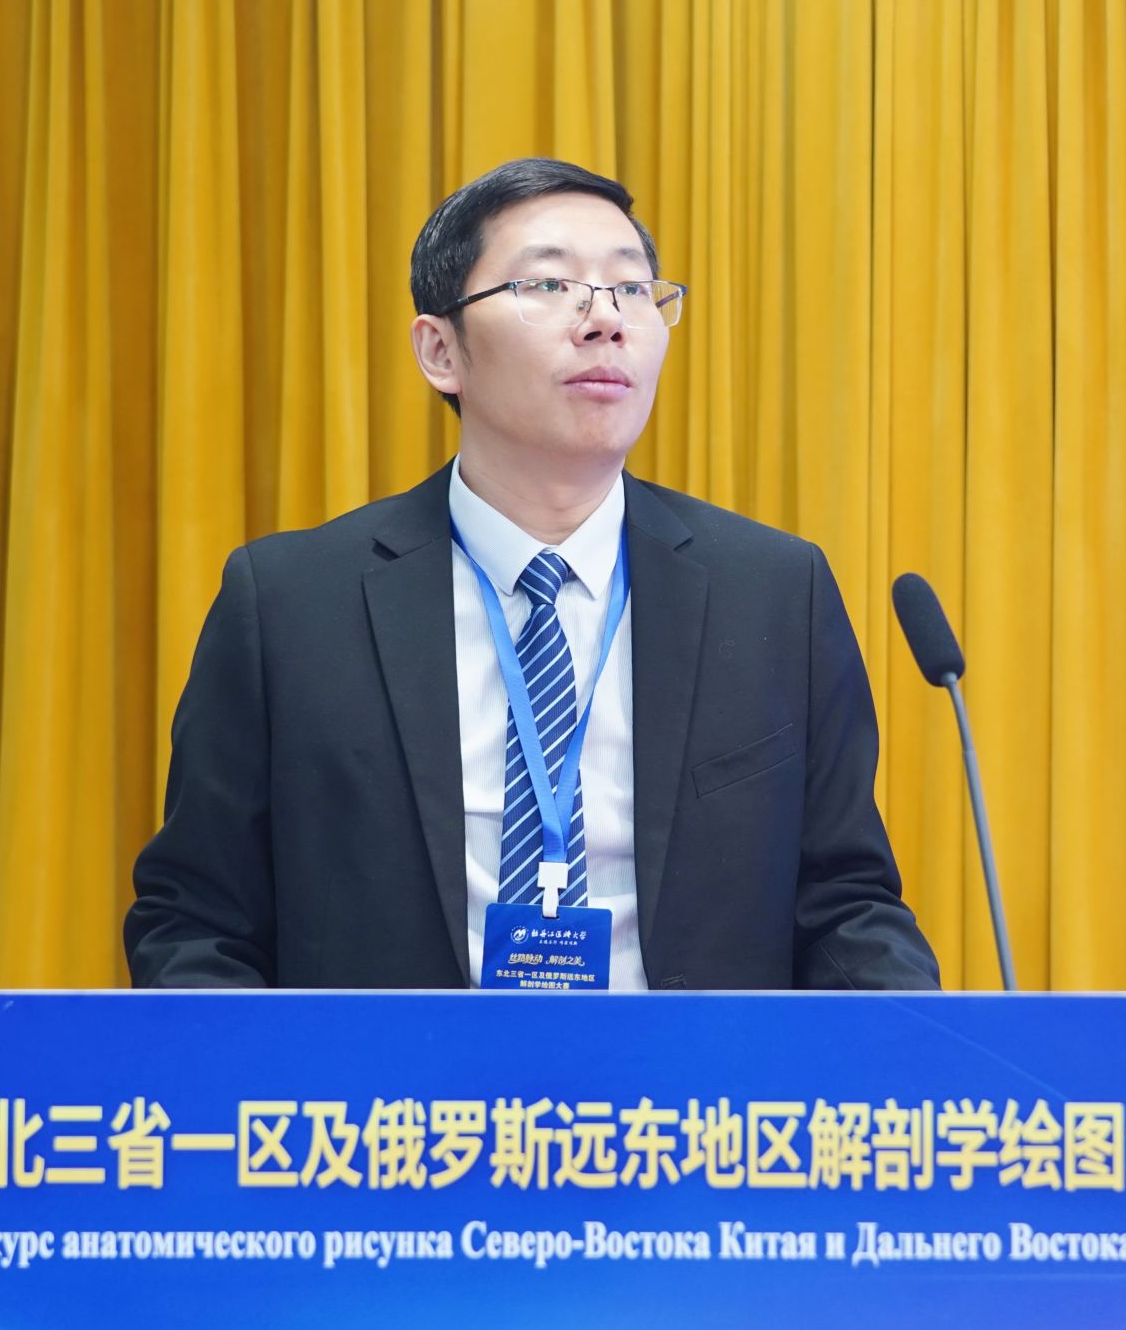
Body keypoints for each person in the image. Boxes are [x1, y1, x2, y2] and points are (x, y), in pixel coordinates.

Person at [126, 157, 940, 992]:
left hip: (688, 1078)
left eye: (632, 289)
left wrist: (929, 1046)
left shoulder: (772, 594)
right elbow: (196, 921)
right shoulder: (292, 606)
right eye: (549, 285)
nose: (605, 320)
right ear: (440, 349)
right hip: (397, 1079)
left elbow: (846, 906)